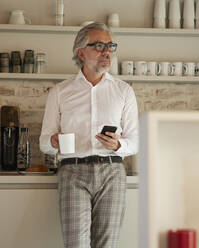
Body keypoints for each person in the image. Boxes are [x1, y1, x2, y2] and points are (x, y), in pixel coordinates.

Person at [39, 22, 139, 248]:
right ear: (81, 53)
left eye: (110, 46)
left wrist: (117, 145)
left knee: (107, 245)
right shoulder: (60, 92)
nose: (107, 52)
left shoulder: (124, 91)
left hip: (112, 173)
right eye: (99, 46)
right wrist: (53, 141)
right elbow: (44, 142)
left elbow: (135, 142)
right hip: (73, 173)